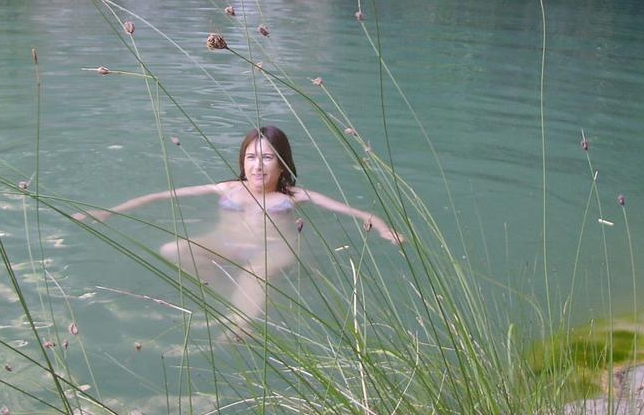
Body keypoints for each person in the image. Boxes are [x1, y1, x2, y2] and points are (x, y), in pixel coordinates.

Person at [74, 126, 403, 330]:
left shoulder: (293, 196)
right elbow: (162, 195)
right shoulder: (227, 188)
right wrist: (107, 213)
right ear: (242, 161)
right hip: (224, 244)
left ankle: (240, 324)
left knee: (255, 273)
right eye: (251, 157)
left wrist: (385, 229)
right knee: (172, 249)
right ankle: (229, 292)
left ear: (283, 163)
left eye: (268, 158)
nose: (257, 166)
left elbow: (358, 212)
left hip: (273, 249)